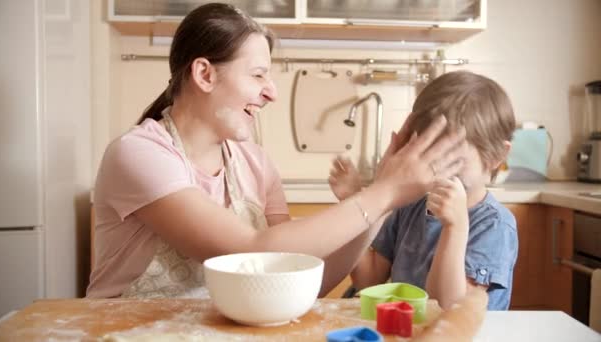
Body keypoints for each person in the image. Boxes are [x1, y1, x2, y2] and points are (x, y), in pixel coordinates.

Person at [86, 3, 466, 299]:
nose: (272, 92)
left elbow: (293, 279)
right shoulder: (139, 154)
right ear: (204, 74)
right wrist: (382, 192)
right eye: (257, 75)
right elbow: (249, 253)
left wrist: (384, 203)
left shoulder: (256, 164)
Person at [329, 71, 518, 310]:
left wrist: (455, 227)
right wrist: (355, 200)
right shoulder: (411, 205)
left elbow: (451, 308)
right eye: (429, 155)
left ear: (496, 157)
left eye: (452, 159)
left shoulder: (494, 225)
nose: (438, 170)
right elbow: (368, 279)